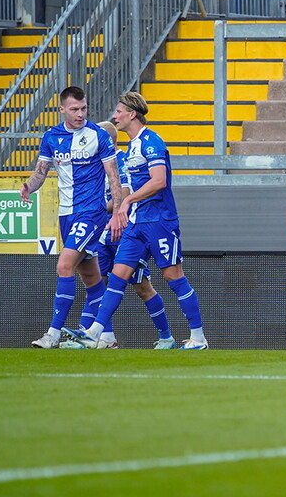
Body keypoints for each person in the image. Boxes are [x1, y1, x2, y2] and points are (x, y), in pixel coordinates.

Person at [69, 92, 208, 350]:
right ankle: (96, 332)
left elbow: (159, 181)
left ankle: (198, 337)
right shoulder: (132, 146)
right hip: (137, 223)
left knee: (173, 277)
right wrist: (123, 209)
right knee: (117, 276)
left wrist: (129, 201)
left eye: (119, 112)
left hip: (160, 220)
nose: (115, 116)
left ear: (132, 114)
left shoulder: (151, 141)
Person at [23, 86, 123, 349]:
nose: (80, 114)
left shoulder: (98, 135)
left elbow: (114, 176)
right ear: (62, 109)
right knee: (91, 278)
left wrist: (118, 212)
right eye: (74, 109)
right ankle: (108, 337)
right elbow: (41, 172)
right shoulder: (51, 137)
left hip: (91, 212)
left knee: (64, 266)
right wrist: (29, 187)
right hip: (66, 214)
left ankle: (52, 334)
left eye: (84, 108)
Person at [61, 121, 175, 349]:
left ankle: (166, 336)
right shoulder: (95, 164)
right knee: (96, 284)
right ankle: (97, 337)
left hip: (126, 231)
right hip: (102, 233)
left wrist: (99, 208)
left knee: (142, 287)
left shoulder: (123, 160)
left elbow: (123, 195)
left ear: (108, 139)